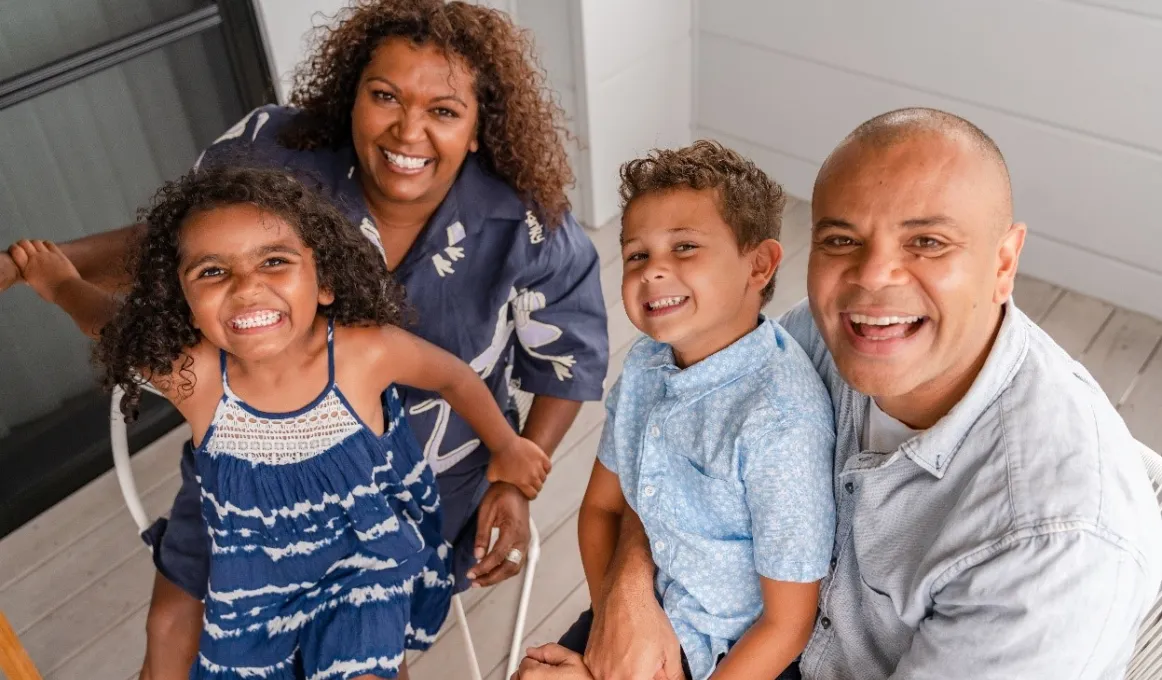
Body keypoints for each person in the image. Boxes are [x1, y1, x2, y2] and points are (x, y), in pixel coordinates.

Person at [2, 1, 609, 677]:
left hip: (419, 491)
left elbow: (562, 362)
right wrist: (46, 268)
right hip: (246, 492)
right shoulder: (274, 157)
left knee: (361, 644)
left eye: (443, 110)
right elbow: (178, 245)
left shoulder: (522, 227)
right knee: (179, 631)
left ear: (478, 128)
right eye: (384, 96)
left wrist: (514, 476)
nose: (408, 130)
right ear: (352, 94)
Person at [516, 108, 1162, 680]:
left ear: (1003, 261)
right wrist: (628, 596)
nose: (873, 277)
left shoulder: (1050, 551)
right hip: (695, 626)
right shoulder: (817, 339)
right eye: (842, 240)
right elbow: (671, 458)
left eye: (927, 241)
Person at [11, 166, 555, 679]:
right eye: (213, 271)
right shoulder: (195, 377)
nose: (246, 286)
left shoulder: (364, 353)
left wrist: (506, 444)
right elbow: (107, 325)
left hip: (361, 561)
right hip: (257, 582)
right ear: (184, 302)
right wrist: (57, 280)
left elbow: (455, 377)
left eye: (274, 261)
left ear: (323, 281)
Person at [554, 141, 835, 680]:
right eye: (637, 254)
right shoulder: (644, 367)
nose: (653, 271)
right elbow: (600, 511)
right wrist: (613, 632)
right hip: (639, 615)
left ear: (759, 265)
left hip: (737, 659)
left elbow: (786, 626)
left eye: (684, 248)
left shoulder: (779, 422)